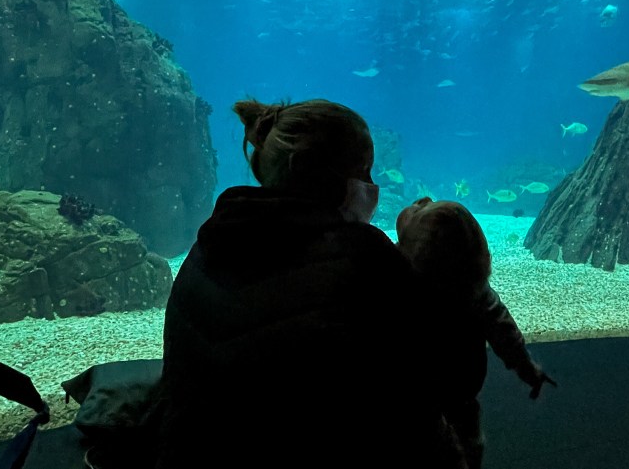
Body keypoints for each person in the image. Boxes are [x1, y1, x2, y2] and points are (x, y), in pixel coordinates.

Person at [157, 99, 464, 469]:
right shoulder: (364, 255)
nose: (370, 186)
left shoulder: (206, 248)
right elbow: (420, 389)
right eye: (362, 171)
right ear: (309, 171)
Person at [396, 198, 556, 469]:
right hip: (461, 390)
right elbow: (504, 333)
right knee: (468, 443)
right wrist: (527, 368)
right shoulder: (475, 293)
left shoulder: (400, 289)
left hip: (412, 393)